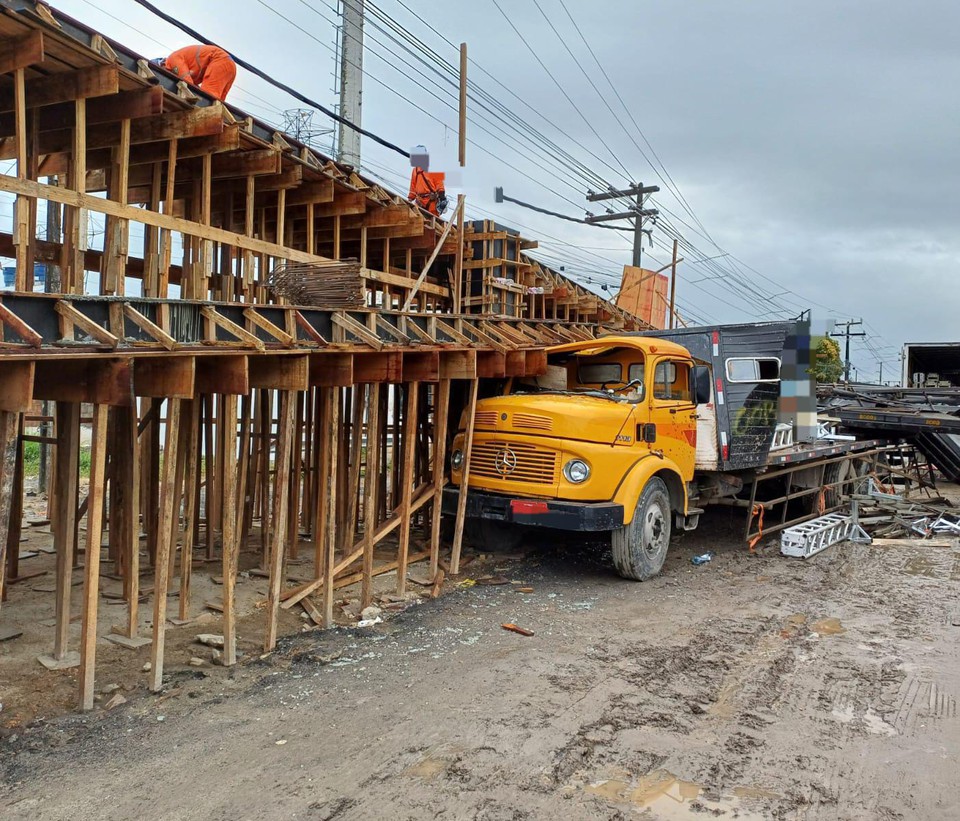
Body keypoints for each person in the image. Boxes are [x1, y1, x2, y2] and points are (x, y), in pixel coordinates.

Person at [159, 45, 236, 102]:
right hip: (230, 66)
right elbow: (193, 86)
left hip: (219, 60)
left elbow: (187, 82)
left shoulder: (173, 59)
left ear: (162, 64)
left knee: (207, 98)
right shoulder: (178, 66)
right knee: (218, 102)